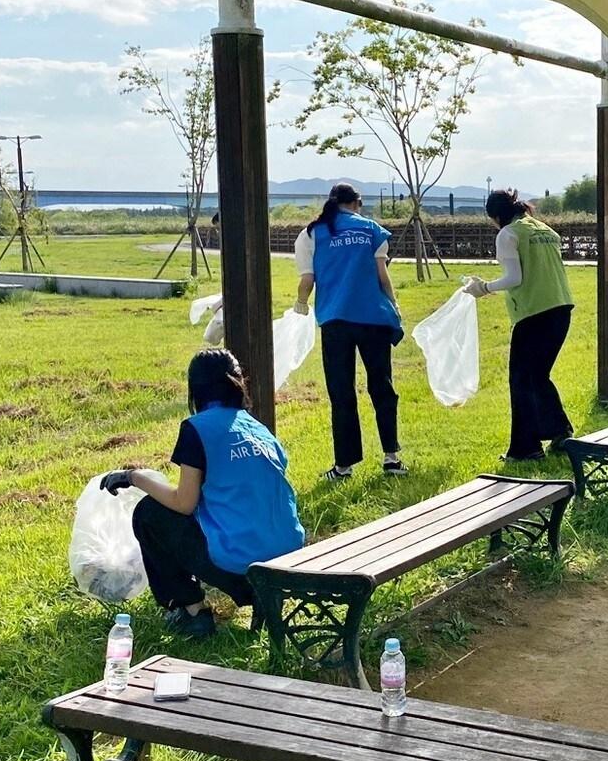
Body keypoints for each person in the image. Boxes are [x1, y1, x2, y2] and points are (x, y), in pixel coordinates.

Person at [101, 349, 305, 638]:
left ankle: (192, 611)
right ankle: (257, 598)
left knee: (150, 513)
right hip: (288, 558)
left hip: (242, 567)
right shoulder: (258, 428)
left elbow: (184, 503)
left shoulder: (197, 428)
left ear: (195, 389)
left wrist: (135, 477)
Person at [294, 183, 406, 480]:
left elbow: (308, 279)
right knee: (382, 386)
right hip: (373, 318)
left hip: (335, 320)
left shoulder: (311, 234)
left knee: (341, 392)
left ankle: (344, 466)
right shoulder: (372, 229)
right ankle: (392, 458)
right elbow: (383, 275)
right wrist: (394, 306)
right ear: (357, 203)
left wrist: (300, 303)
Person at [463, 189, 576, 461]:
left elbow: (514, 278)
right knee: (537, 376)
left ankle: (527, 448)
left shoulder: (508, 234)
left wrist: (484, 288)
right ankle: (560, 431)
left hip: (534, 313)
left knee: (522, 380)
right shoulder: (545, 230)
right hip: (561, 308)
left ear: (497, 215)